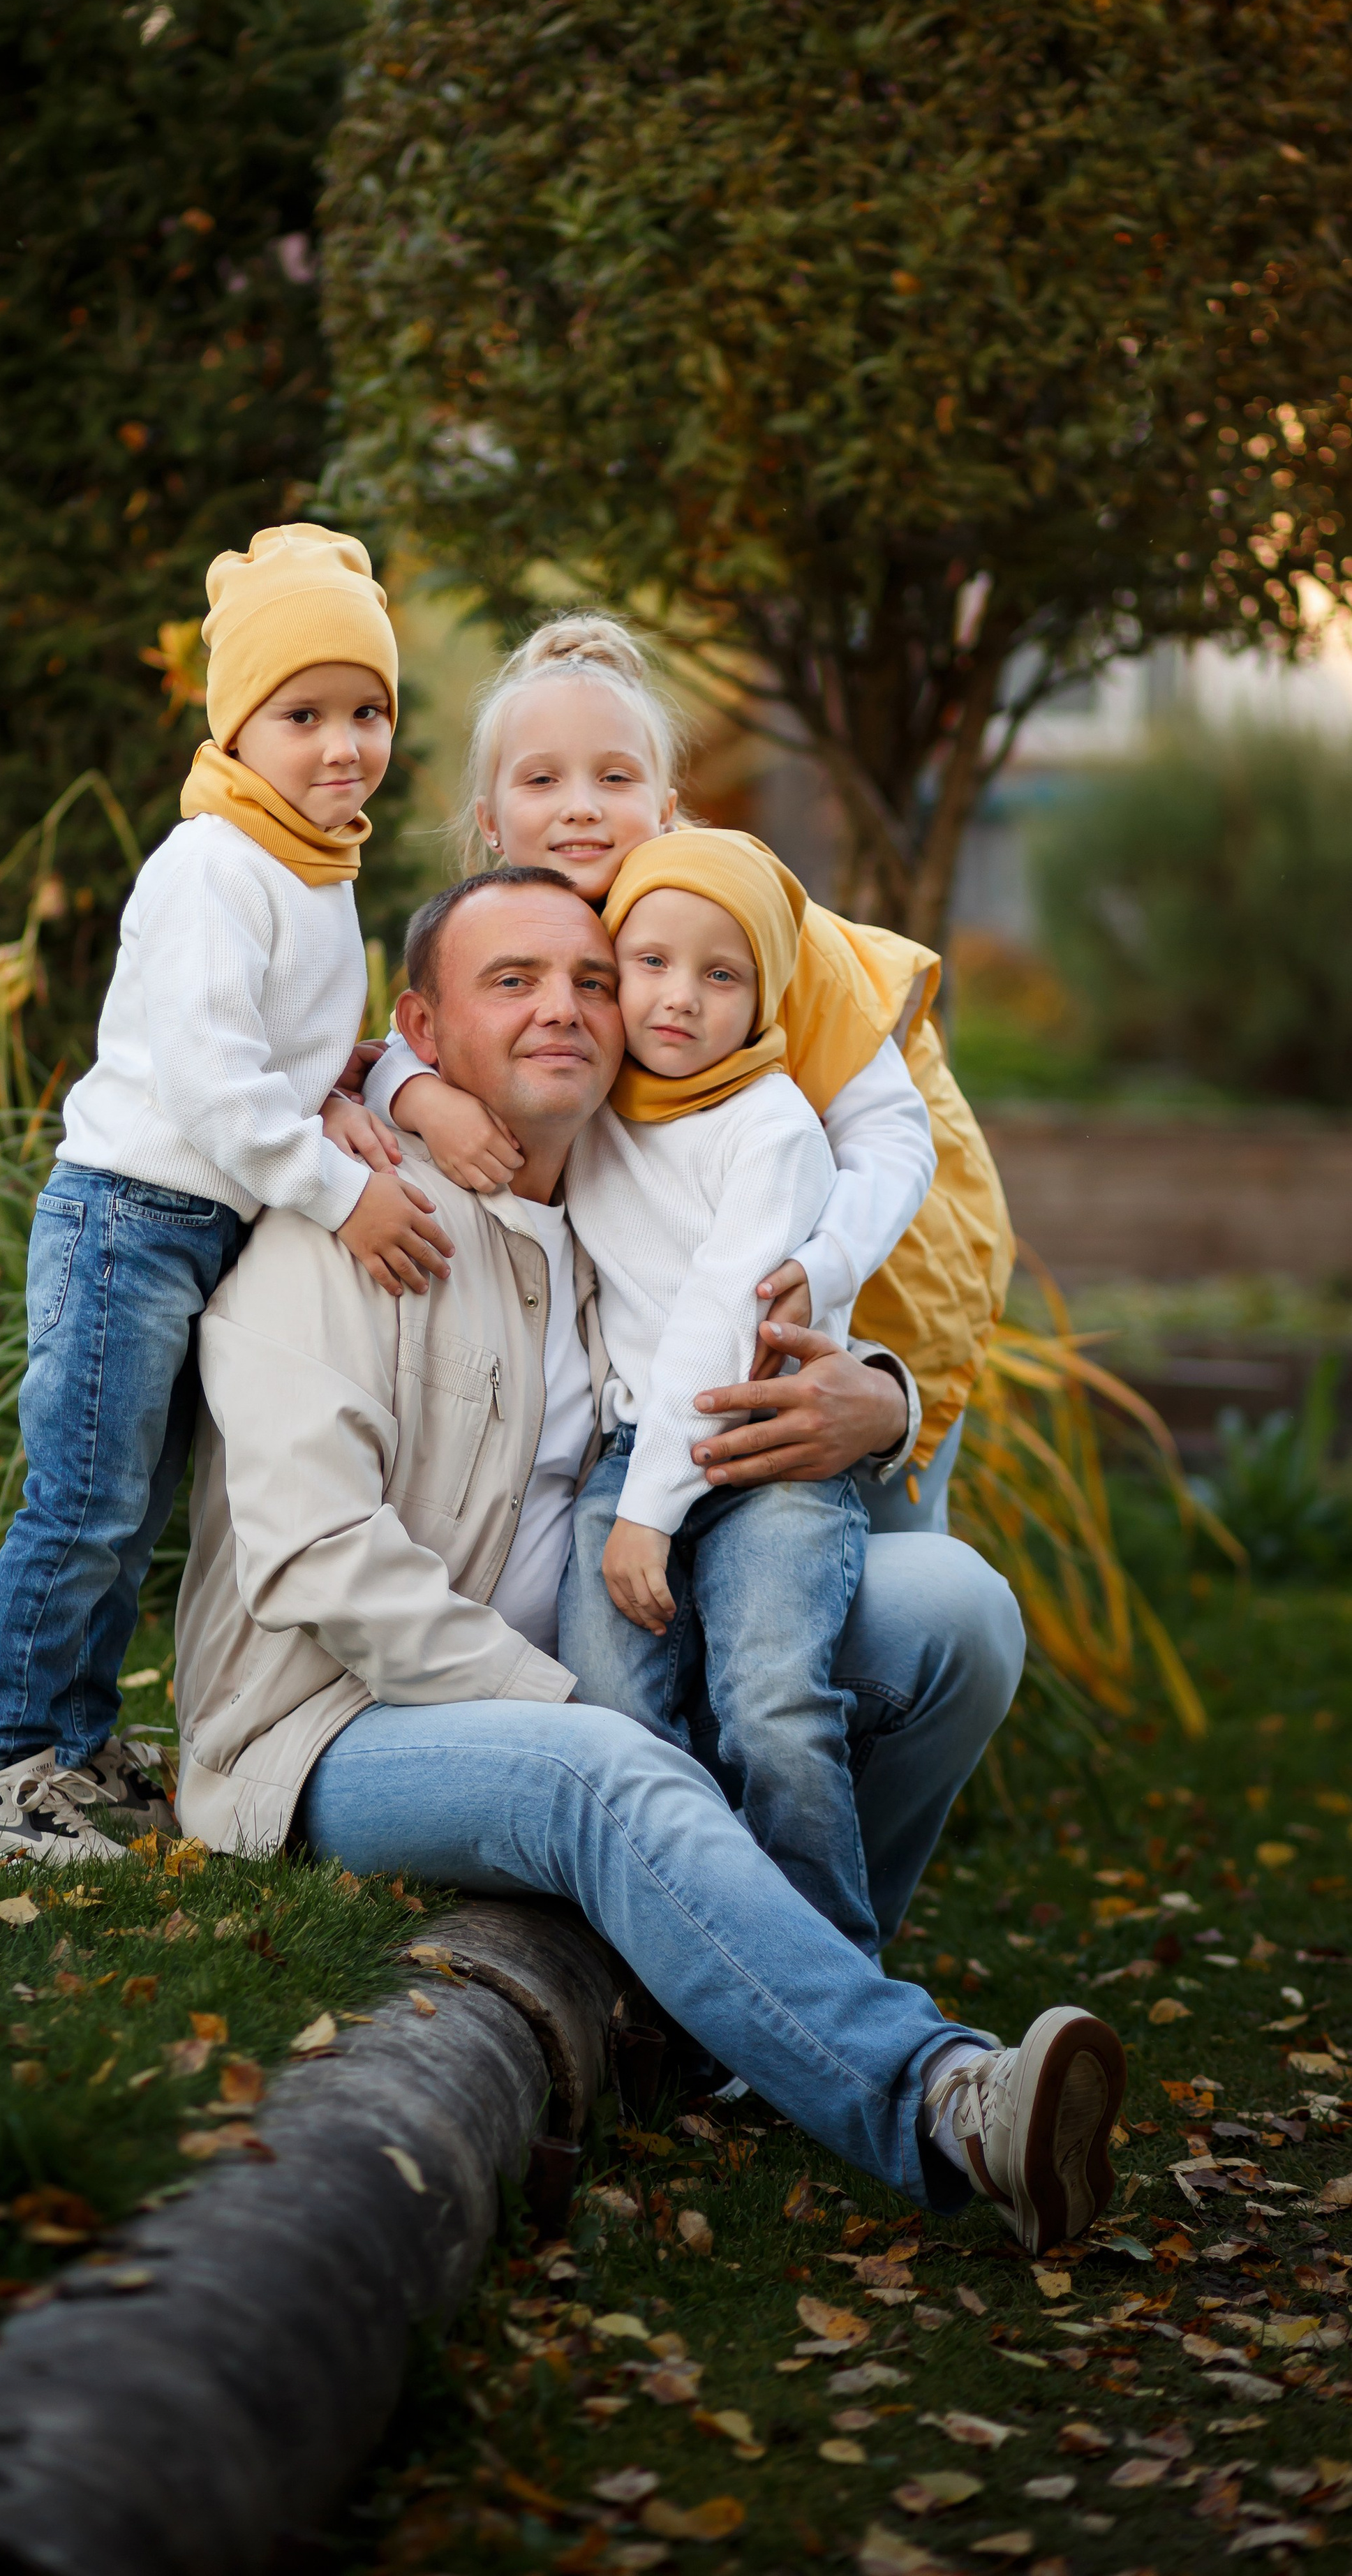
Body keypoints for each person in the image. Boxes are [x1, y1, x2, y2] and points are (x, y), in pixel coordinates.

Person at [175, 868, 1127, 2252]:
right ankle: (943, 2099)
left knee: (950, 1617)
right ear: (420, 1035)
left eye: (591, 980)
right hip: (332, 1728)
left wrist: (881, 1398)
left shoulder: (609, 1209)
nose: (564, 1008)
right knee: (610, 1770)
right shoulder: (348, 1229)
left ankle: (737, 2011)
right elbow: (324, 1562)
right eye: (512, 982)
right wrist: (575, 1710)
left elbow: (735, 1327)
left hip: (597, 1649)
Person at [0, 523, 453, 1866]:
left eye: (369, 712)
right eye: (304, 715)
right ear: (237, 725)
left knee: (132, 1510)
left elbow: (278, 1054)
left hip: (196, 1226)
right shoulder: (215, 864)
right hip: (128, 1222)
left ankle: (72, 1745)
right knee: (83, 1504)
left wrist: (334, 1095)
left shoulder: (312, 863)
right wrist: (340, 1189)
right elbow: (213, 1085)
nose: (344, 746)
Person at [361, 615, 1011, 1533]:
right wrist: (416, 1093)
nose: (581, 807)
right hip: (689, 1315)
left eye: (615, 778)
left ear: (667, 808)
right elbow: (419, 1038)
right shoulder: (520, 933)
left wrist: (827, 1263)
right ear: (490, 823)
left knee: (870, 1519)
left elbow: (892, 1137)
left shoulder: (751, 929)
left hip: (877, 1251)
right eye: (543, 780)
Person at [560, 830, 877, 1953]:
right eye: (650, 962)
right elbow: (439, 1053)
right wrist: (401, 1091)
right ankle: (673, 1958)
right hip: (632, 1453)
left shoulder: (774, 1127)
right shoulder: (594, 1097)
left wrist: (648, 1514)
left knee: (773, 1712)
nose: (680, 998)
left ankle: (830, 1973)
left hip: (767, 1459)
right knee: (613, 1716)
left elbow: (718, 1317)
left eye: (721, 973)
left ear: (765, 997)